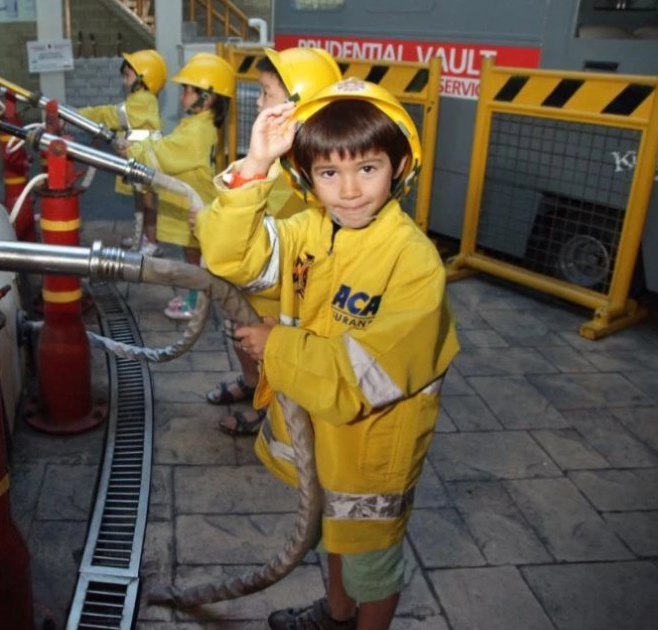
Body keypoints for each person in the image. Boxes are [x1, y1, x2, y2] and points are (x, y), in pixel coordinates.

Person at [196, 79, 459, 630]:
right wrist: (256, 163)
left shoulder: (414, 263)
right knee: (333, 534)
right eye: (329, 173)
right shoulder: (307, 230)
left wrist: (280, 345)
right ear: (306, 179)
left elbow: (367, 373)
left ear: (400, 167)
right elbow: (232, 259)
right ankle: (336, 615)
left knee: (373, 566)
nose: (350, 190)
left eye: (368, 168)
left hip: (371, 452)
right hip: (321, 432)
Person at [208, 47, 342, 436]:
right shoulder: (281, 165)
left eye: (267, 92)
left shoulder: (301, 184)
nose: (258, 100)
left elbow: (253, 247)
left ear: (296, 109)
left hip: (275, 300)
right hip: (251, 289)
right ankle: (252, 387)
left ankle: (264, 408)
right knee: (242, 341)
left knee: (267, 355)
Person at [123, 52, 233, 320]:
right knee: (192, 252)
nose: (182, 94)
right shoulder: (198, 124)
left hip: (197, 203)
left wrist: (132, 150)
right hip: (195, 200)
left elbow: (163, 155)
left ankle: (197, 303)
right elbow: (168, 147)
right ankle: (196, 297)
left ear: (208, 97)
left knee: (195, 256)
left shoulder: (197, 131)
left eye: (187, 89)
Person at [78, 49, 166, 255]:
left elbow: (113, 114)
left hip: (146, 159)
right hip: (138, 157)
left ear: (144, 79)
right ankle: (141, 236)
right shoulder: (140, 99)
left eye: (127, 75)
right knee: (139, 200)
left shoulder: (142, 100)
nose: (123, 81)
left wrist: (81, 114)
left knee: (148, 202)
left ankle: (152, 242)